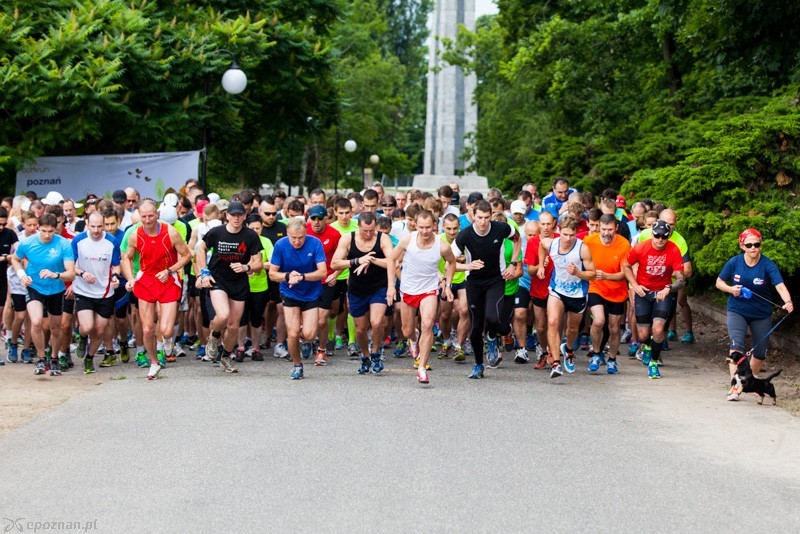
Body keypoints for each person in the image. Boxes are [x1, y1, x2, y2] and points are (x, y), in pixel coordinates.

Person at [716, 228, 794, 401]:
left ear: (760, 245)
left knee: (759, 355)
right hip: (737, 310)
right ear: (742, 245)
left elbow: (780, 286)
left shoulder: (767, 265)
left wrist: (787, 301)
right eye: (749, 245)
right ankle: (735, 387)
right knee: (737, 349)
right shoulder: (734, 262)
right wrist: (730, 289)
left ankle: (748, 381)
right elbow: (719, 282)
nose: (753, 248)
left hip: (761, 314)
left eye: (756, 244)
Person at [120, 200, 192, 380]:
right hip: (146, 280)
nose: (147, 220)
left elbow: (187, 255)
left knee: (167, 330)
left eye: (150, 216)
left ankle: (167, 341)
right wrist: (130, 279)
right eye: (143, 216)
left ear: (157, 214)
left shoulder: (171, 232)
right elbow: (126, 258)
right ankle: (153, 363)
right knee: (147, 329)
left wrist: (170, 271)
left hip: (167, 279)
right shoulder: (135, 234)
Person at [451, 200, 519, 379]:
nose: (483, 222)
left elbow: (517, 238)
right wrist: (467, 266)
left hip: (496, 280)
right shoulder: (464, 235)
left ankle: (491, 339)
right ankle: (478, 365)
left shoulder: (500, 228)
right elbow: (449, 262)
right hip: (473, 282)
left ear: (491, 216)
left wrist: (513, 264)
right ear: (473, 215)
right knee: (475, 327)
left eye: (486, 218)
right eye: (479, 217)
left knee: (492, 317)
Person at [387, 210, 457, 383]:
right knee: (407, 330)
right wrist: (390, 286)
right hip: (408, 290)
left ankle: (422, 367)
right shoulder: (407, 240)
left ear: (434, 225)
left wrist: (447, 285)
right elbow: (391, 260)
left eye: (428, 227)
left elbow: (452, 262)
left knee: (427, 324)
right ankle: (413, 338)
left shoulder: (441, 245)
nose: (425, 231)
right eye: (421, 227)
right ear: (415, 226)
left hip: (429, 290)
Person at [196, 201, 264, 374]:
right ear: (226, 216)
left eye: (240, 215)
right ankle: (214, 336)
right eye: (233, 214)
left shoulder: (250, 236)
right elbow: (201, 249)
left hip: (239, 283)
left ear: (244, 216)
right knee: (223, 315)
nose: (236, 218)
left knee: (234, 326)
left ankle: (225, 356)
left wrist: (246, 267)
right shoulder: (216, 232)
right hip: (218, 279)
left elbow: (258, 263)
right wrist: (204, 272)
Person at [10, 213, 76, 376]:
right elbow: (15, 259)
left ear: (56, 229)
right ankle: (41, 359)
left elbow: (71, 273)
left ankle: (53, 359)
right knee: (37, 321)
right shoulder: (28, 243)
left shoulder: (63, 244)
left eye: (51, 231)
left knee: (55, 328)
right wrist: (21, 275)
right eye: (44, 230)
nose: (47, 235)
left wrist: (56, 275)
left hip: (56, 289)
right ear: (38, 228)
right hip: (34, 286)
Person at [331, 212, 394, 375]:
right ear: (358, 226)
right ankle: (365, 356)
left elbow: (391, 261)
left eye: (372, 230)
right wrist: (357, 260)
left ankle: (375, 354)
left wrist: (390, 287)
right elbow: (335, 263)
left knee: (377, 322)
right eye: (365, 230)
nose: (369, 234)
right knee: (360, 329)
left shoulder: (382, 239)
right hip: (357, 288)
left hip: (379, 286)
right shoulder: (348, 238)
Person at [622, 220, 685, 379]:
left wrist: (669, 288)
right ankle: (648, 346)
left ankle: (654, 363)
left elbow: (681, 279)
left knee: (658, 329)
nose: (660, 239)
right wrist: (634, 285)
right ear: (652, 234)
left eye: (664, 236)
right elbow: (626, 265)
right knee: (643, 335)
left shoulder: (673, 250)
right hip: (643, 292)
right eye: (657, 235)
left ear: (668, 236)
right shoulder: (641, 248)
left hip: (662, 293)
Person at [268, 218, 327, 380]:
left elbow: (323, 272)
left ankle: (306, 340)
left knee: (309, 333)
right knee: (292, 332)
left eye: (300, 237)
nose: (297, 241)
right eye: (293, 237)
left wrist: (302, 277)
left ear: (306, 233)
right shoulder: (280, 245)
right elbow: (272, 274)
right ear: (287, 234)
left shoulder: (315, 243)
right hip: (290, 292)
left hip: (311, 293)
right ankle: (297, 365)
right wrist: (287, 276)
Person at [537, 217, 596, 378]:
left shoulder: (582, 249)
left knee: (572, 329)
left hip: (578, 293)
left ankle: (568, 350)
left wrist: (578, 273)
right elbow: (541, 246)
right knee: (553, 321)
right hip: (557, 290)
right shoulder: (552, 243)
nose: (568, 238)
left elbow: (593, 274)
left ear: (577, 233)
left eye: (572, 235)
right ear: (559, 231)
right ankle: (556, 363)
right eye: (565, 234)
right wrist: (542, 264)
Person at [70, 212, 121, 374]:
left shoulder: (112, 242)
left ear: (104, 225)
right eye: (93, 226)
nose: (96, 230)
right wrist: (82, 273)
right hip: (83, 290)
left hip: (105, 292)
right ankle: (83, 339)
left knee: (99, 330)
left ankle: (89, 358)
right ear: (87, 224)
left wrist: (115, 276)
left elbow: (116, 265)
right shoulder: (78, 240)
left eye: (100, 226)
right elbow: (70, 266)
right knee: (86, 327)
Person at [582, 213, 631, 374]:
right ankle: (596, 354)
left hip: (617, 290)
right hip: (596, 286)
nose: (606, 233)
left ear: (616, 228)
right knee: (598, 321)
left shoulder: (624, 244)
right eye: (603, 229)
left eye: (610, 229)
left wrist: (608, 276)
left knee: (615, 328)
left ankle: (612, 359)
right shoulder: (589, 241)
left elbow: (625, 273)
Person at [306, 205, 342, 365]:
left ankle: (321, 350)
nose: (316, 222)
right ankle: (306, 340)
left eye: (319, 219)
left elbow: (341, 258)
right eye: (313, 218)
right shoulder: (303, 231)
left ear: (326, 219)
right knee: (304, 318)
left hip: (326, 280)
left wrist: (335, 275)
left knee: (322, 320)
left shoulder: (334, 235)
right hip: (306, 280)